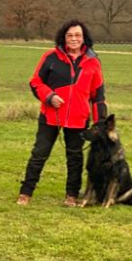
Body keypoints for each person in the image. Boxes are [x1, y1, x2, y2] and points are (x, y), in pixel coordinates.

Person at [18, 19, 106, 206]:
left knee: (75, 158)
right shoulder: (50, 57)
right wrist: (49, 96)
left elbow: (98, 96)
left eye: (78, 35)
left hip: (79, 118)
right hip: (51, 116)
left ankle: (71, 195)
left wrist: (100, 123)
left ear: (84, 38)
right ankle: (26, 192)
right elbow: (36, 82)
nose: (74, 39)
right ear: (63, 37)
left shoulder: (93, 62)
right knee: (39, 154)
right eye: (70, 35)